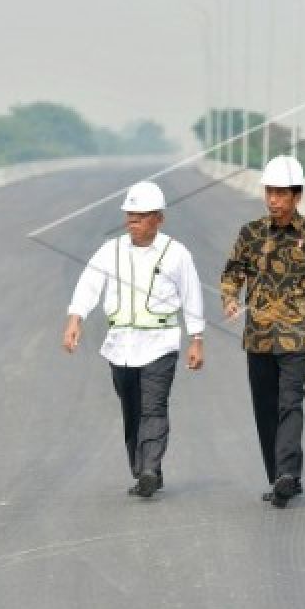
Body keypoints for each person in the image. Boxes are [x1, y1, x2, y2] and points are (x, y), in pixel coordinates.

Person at [63, 180, 205, 498]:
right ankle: (141, 470)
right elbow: (89, 284)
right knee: (132, 408)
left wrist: (196, 338)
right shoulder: (110, 252)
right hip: (121, 345)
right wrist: (75, 319)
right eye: (129, 216)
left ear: (158, 219)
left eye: (140, 216)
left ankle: (150, 469)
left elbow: (192, 295)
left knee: (153, 407)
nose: (133, 223)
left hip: (160, 342)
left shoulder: (176, 254)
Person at [221, 155, 305, 508]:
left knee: (291, 402)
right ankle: (280, 479)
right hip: (257, 336)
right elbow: (232, 273)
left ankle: (287, 473)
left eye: (281, 193)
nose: (273, 199)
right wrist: (229, 297)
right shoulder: (250, 233)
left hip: (298, 335)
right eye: (269, 192)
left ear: (297, 196)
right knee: (265, 409)